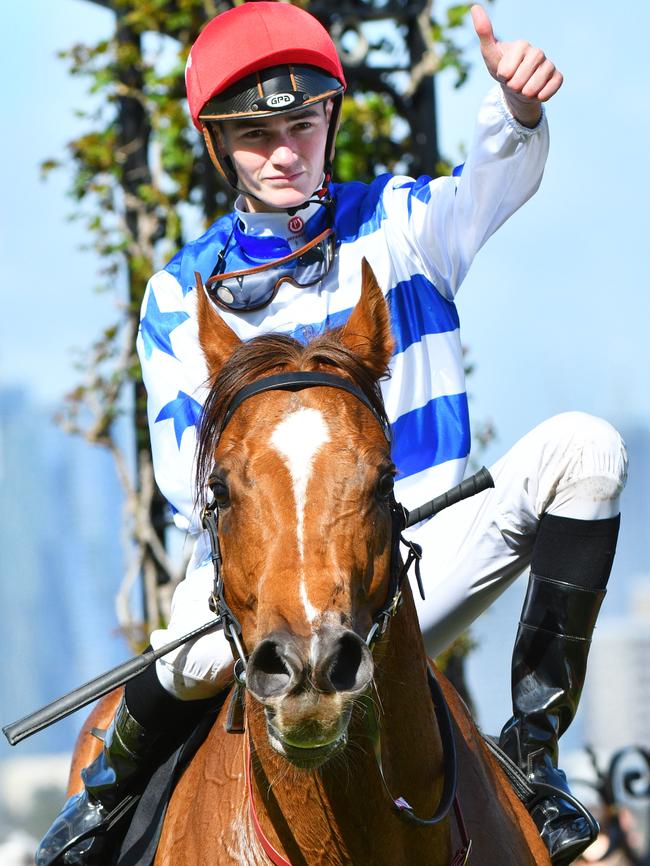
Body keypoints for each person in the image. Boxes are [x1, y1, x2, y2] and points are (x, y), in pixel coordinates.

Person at [36, 3, 627, 865]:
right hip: (264, 557)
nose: (283, 151)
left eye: (302, 124)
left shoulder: (401, 223)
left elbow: (493, 182)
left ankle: (537, 761)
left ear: (329, 122)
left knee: (589, 450)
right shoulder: (176, 296)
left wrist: (519, 111)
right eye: (254, 134)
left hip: (417, 547)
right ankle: (92, 819)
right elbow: (185, 478)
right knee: (186, 657)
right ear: (217, 145)